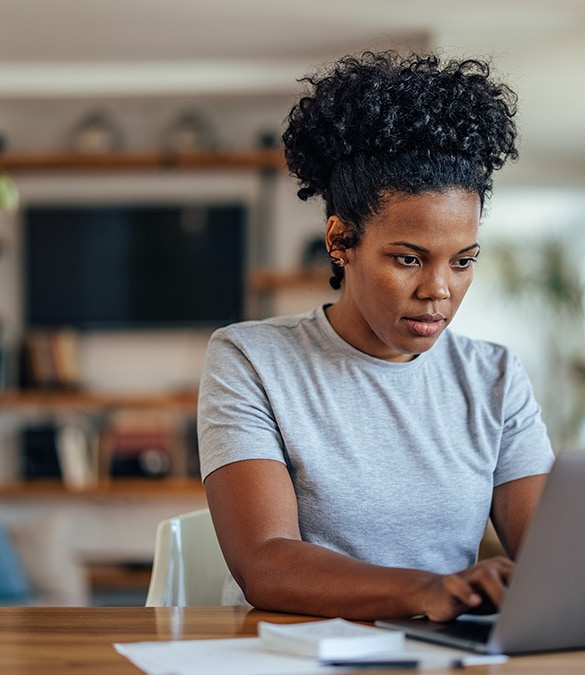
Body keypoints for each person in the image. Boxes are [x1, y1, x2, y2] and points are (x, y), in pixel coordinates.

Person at [197, 50, 554, 621]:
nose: (439, 289)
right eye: (408, 259)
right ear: (341, 240)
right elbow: (265, 562)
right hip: (297, 655)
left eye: (463, 262)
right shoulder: (251, 359)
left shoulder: (494, 376)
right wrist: (427, 591)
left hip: (446, 652)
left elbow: (553, 558)